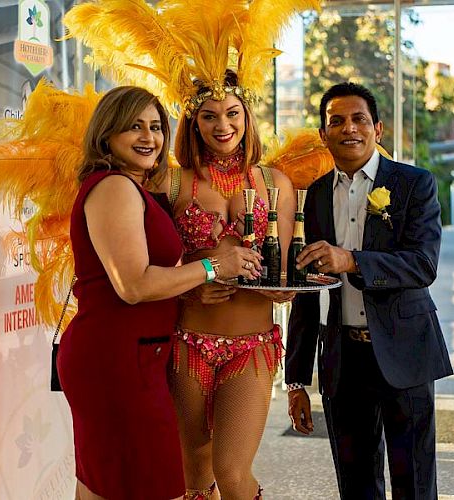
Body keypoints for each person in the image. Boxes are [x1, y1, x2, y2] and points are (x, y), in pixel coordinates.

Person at [57, 85, 262, 500]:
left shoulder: (129, 186)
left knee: (105, 483)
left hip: (133, 355)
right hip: (117, 360)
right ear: (106, 134)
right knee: (151, 484)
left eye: (155, 127)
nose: (149, 137)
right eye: (134, 127)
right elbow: (134, 285)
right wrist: (213, 267)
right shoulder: (113, 187)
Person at [285, 82, 453, 499]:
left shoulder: (415, 184)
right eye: (336, 121)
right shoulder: (317, 194)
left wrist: (353, 261)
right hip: (344, 361)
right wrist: (296, 380)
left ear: (377, 128)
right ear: (323, 135)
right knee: (356, 483)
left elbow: (423, 264)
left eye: (359, 119)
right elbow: (307, 290)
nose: (349, 129)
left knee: (414, 482)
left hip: (406, 353)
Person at [155, 69, 295, 500]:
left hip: (251, 346)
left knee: (232, 473)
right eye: (210, 116)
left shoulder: (276, 183)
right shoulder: (170, 181)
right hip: (187, 343)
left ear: (247, 117)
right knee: (194, 476)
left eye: (232, 113)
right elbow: (149, 266)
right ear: (193, 123)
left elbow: (282, 271)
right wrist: (189, 285)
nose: (223, 126)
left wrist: (284, 288)